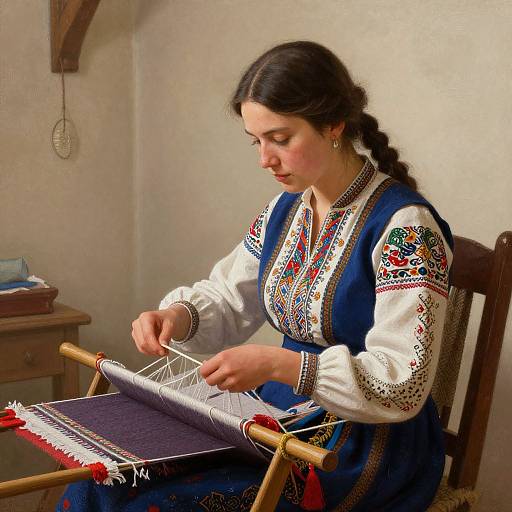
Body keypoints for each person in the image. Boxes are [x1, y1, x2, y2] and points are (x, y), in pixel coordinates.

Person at [59, 41, 452, 511]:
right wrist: (177, 316)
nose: (265, 158)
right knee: (99, 483)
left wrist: (278, 365)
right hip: (274, 416)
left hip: (362, 445)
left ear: (333, 126)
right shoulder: (286, 211)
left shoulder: (406, 228)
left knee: (159, 504)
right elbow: (228, 297)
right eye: (256, 140)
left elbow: (402, 383)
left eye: (281, 139)